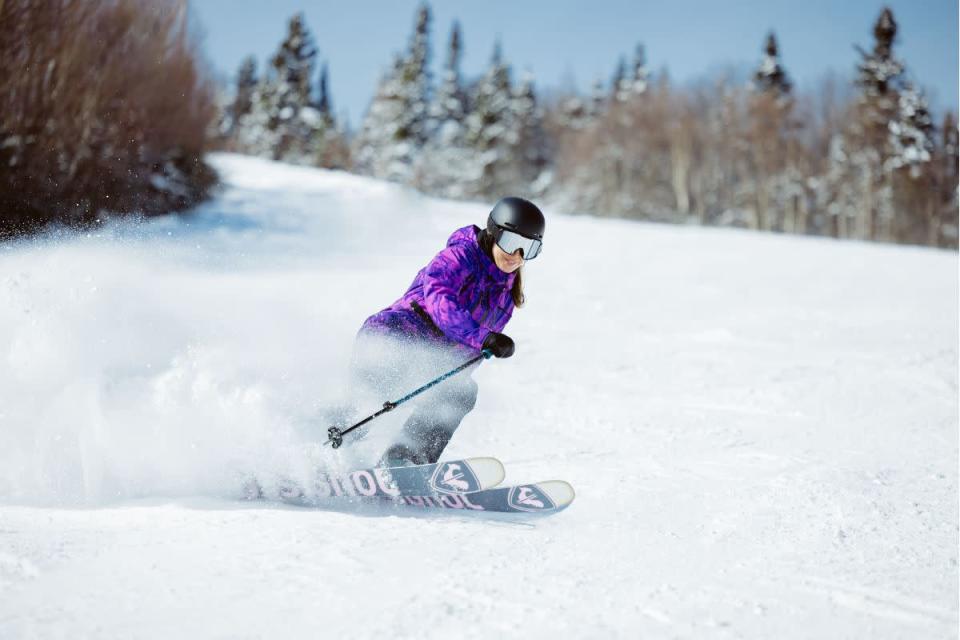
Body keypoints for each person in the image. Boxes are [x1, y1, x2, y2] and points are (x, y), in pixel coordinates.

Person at [344, 196, 545, 467]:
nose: (517, 256)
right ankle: (308, 446)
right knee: (363, 410)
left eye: (528, 248)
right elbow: (440, 301)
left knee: (460, 392)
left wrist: (485, 347)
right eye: (511, 242)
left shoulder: (505, 296)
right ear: (494, 232)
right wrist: (483, 336)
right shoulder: (459, 256)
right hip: (394, 337)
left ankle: (404, 462)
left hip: (427, 360)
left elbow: (465, 352)